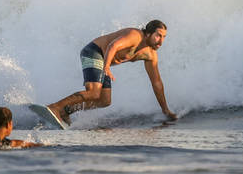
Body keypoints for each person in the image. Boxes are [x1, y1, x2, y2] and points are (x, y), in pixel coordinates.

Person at [46, 19, 176, 126]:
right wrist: (107, 67)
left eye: (164, 37)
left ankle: (67, 110)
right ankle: (55, 107)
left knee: (104, 100)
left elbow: (157, 83)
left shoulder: (150, 55)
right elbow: (113, 46)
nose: (161, 41)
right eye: (158, 35)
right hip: (94, 51)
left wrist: (165, 110)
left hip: (104, 61)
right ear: (148, 34)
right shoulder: (135, 36)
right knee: (93, 92)